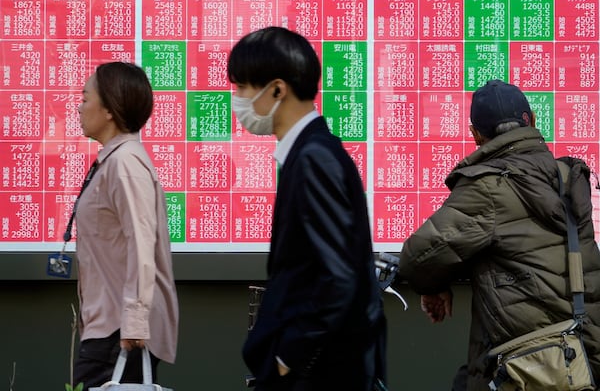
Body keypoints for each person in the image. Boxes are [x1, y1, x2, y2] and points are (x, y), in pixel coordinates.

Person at [394, 79, 600, 389]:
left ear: (475, 135)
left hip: (526, 366)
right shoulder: (568, 177)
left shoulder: (488, 187)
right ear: (530, 119)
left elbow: (418, 257)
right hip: (584, 355)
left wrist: (436, 283)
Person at [228, 26, 386, 391]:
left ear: (278, 89)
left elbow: (338, 277)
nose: (237, 100)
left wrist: (287, 359)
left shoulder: (314, 158)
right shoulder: (313, 153)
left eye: (242, 88)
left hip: (318, 374)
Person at [73, 61, 178, 390]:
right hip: (109, 327)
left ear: (108, 109)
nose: (79, 106)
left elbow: (141, 242)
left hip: (119, 334)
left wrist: (134, 321)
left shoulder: (124, 163)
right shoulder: (114, 160)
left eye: (85, 97)